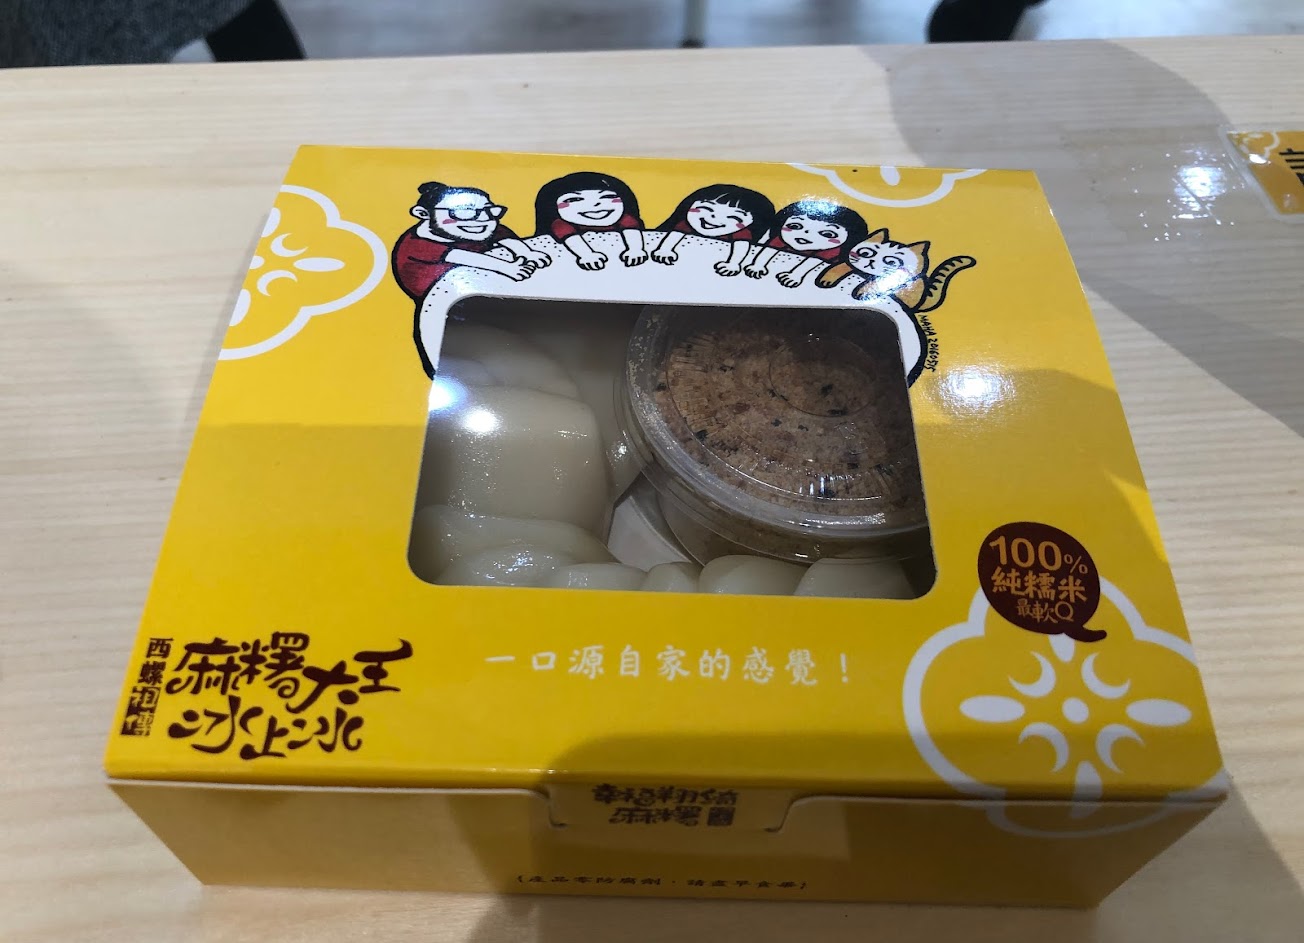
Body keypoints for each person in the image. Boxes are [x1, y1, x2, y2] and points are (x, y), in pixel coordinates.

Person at [391, 181, 550, 301]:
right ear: (423, 214)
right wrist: (507, 268)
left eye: (489, 210)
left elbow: (504, 236)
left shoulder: (479, 226)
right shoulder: (417, 244)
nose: (484, 219)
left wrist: (526, 252)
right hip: (441, 294)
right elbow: (463, 257)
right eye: (464, 212)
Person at [651, 183, 775, 275]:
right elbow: (675, 234)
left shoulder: (741, 233)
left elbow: (741, 246)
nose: (714, 218)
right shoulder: (686, 224)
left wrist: (733, 264)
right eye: (707, 208)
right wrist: (665, 250)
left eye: (733, 217)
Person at [533, 171, 647, 270]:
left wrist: (635, 250)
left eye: (607, 196)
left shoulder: (625, 218)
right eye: (575, 199)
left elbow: (632, 232)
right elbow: (571, 239)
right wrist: (586, 255)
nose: (595, 204)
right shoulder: (561, 225)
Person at [744, 199, 869, 287]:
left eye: (827, 234)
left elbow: (815, 261)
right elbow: (769, 250)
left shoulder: (834, 251)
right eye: (795, 226)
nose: (806, 234)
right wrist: (758, 265)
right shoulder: (781, 238)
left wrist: (796, 275)